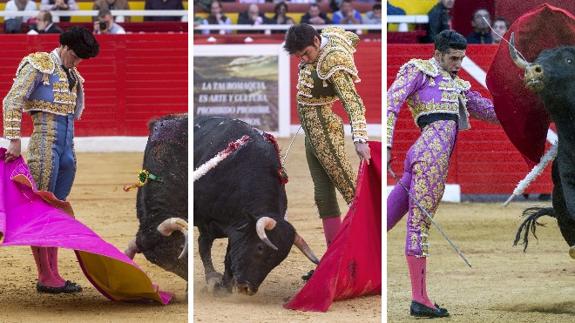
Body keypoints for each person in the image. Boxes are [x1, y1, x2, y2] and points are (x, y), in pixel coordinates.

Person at [386, 30, 499, 318]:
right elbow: (391, 101)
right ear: (437, 53)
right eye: (453, 57)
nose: (458, 63)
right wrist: (386, 144)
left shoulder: (457, 85)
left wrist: (529, 107)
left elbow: (489, 111)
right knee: (418, 226)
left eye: (462, 58)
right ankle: (419, 299)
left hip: (423, 156)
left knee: (383, 220)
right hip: (430, 157)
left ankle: (347, 259)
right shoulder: (419, 70)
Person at [3, 26, 99, 294]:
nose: (78, 63)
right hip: (44, 145)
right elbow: (12, 101)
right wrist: (13, 138)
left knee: (56, 211)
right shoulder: (38, 64)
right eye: (76, 57)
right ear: (66, 48)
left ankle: (54, 273)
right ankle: (45, 275)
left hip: (67, 148)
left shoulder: (73, 75)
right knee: (43, 209)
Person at [284, 24, 370, 248]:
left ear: (315, 41)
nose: (303, 59)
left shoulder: (334, 61)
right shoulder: (328, 36)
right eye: (298, 56)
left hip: (325, 132)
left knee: (352, 193)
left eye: (305, 54)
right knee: (323, 195)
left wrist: (360, 138)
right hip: (312, 134)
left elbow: (353, 102)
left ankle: (365, 254)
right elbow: (351, 36)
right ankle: (334, 257)